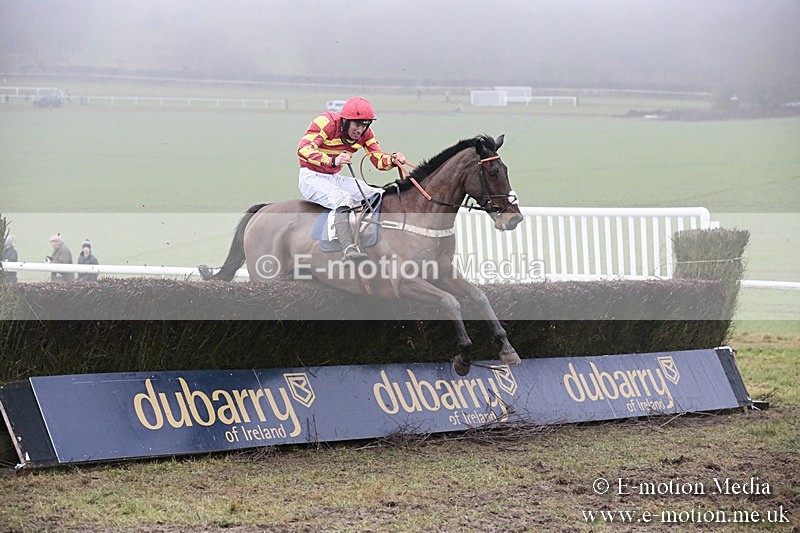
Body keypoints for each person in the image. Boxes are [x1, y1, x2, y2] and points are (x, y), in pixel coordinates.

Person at [297, 96, 407, 261]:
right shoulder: (325, 123)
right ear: (345, 121)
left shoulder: (366, 134)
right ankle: (348, 248)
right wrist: (332, 160)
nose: (360, 130)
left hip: (334, 178)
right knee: (343, 198)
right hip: (311, 177)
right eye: (357, 125)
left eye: (365, 125)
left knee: (379, 194)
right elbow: (303, 148)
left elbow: (377, 159)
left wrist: (392, 159)